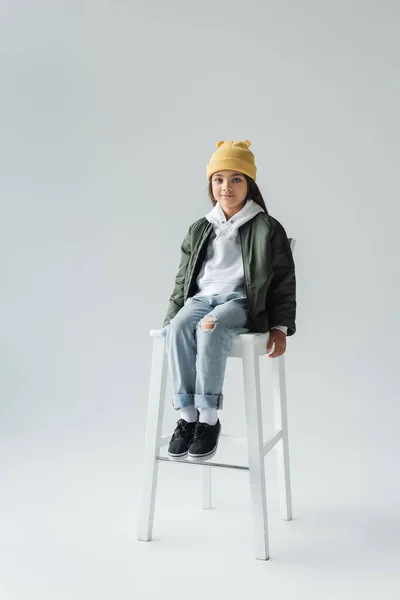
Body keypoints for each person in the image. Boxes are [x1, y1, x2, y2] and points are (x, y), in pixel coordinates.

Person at [161, 140, 296, 463]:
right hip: (201, 298)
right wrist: (170, 316)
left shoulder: (266, 227)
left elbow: (282, 280)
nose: (226, 187)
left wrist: (279, 326)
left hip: (240, 301)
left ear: (249, 184)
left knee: (210, 327)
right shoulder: (200, 228)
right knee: (179, 327)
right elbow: (183, 278)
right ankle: (188, 415)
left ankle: (209, 419)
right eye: (219, 179)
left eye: (236, 179)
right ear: (211, 184)